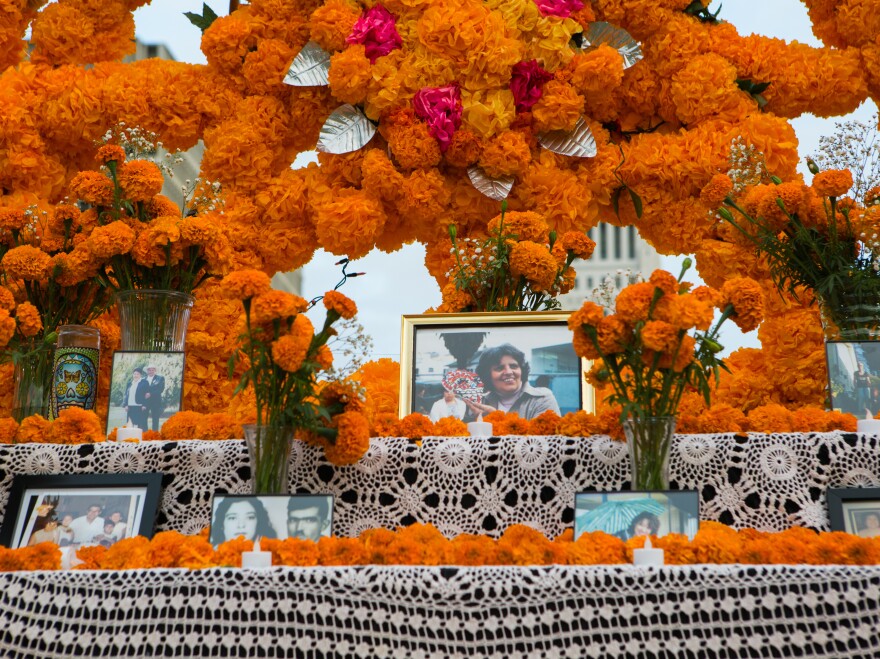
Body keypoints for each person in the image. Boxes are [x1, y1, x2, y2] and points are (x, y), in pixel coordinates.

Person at [463, 344, 560, 421]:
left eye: (514, 366)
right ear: (487, 375)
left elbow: (541, 443)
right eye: (500, 368)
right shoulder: (480, 402)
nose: (509, 372)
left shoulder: (542, 399)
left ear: (522, 370)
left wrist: (497, 419)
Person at [210, 497, 277, 546]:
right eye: (232, 518)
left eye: (250, 517)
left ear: (258, 523)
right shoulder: (211, 556)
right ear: (221, 524)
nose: (241, 525)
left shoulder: (270, 554)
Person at [143, 364, 166, 432]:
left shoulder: (160, 378)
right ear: (147, 371)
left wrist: (151, 394)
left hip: (155, 401)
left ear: (155, 370)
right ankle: (145, 433)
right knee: (144, 418)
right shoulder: (143, 379)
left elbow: (160, 389)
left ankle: (154, 434)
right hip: (145, 401)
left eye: (152, 370)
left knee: (155, 418)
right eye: (149, 370)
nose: (151, 371)